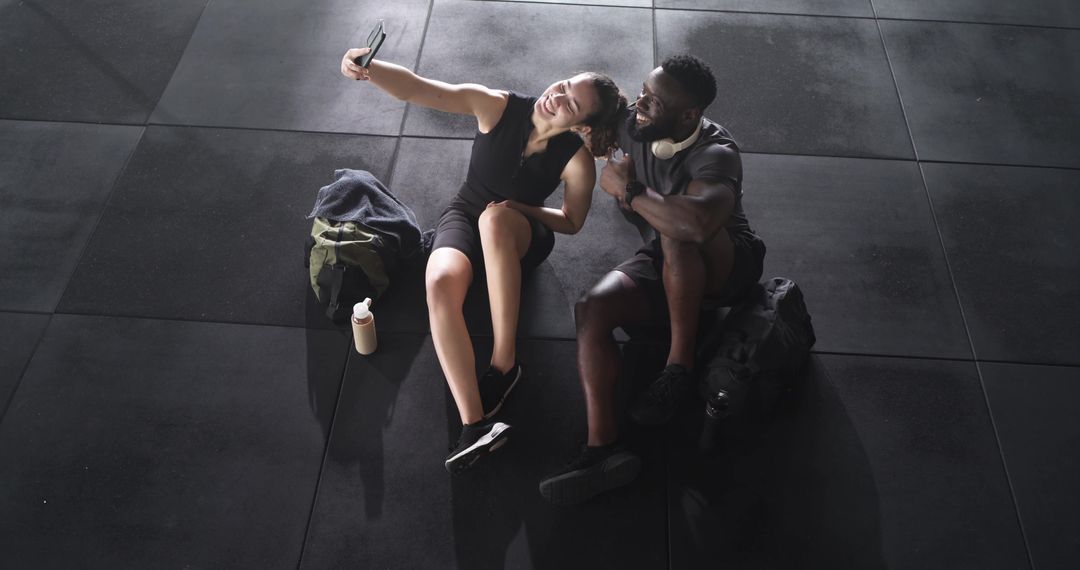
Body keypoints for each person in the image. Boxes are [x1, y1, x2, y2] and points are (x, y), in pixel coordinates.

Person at [340, 47, 627, 474]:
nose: (558, 96)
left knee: (495, 220)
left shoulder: (577, 161)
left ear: (582, 124)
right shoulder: (498, 106)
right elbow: (421, 90)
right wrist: (368, 68)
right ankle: (474, 426)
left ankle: (504, 364)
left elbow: (571, 222)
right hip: (464, 213)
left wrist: (520, 208)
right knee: (438, 282)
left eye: (572, 103)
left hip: (521, 235)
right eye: (564, 86)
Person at [538, 55, 766, 505]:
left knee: (677, 230)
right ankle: (600, 451)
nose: (640, 101)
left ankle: (678, 368)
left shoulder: (717, 154)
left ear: (689, 116)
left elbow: (698, 225)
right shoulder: (633, 123)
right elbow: (580, 98)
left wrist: (627, 189)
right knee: (592, 308)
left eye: (654, 101)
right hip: (663, 259)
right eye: (643, 89)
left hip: (728, 267)